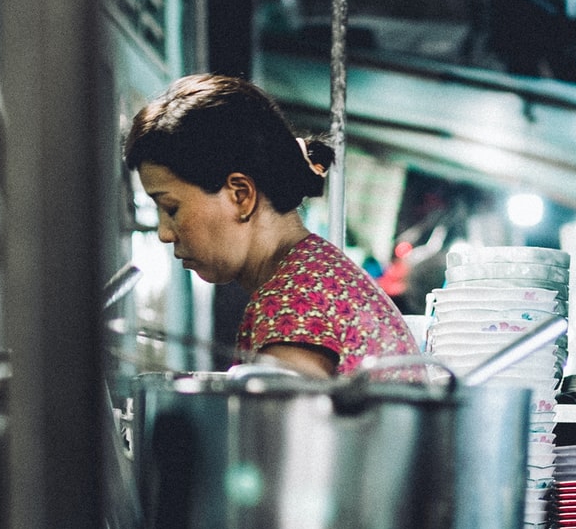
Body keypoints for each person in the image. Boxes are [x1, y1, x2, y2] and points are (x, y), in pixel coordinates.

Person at [123, 74, 417, 377]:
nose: (164, 233)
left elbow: (289, 423)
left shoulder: (295, 304)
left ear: (241, 195)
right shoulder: (312, 273)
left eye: (171, 208)